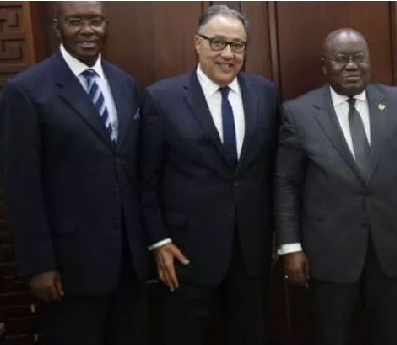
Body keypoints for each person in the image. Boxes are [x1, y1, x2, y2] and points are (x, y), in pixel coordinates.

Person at [274, 28, 397, 345]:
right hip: (328, 250)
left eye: (359, 57)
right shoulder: (298, 113)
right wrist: (290, 247)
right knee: (332, 334)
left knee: (389, 333)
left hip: (392, 246)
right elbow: (287, 184)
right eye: (341, 59)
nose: (352, 66)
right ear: (325, 67)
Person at [0, 2, 148, 344]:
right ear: (57, 27)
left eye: (95, 21)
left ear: (105, 25)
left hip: (129, 262)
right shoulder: (27, 90)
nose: (86, 30)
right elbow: (21, 187)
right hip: (69, 268)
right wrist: (38, 265)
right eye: (75, 21)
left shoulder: (126, 85)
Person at [140, 5, 278, 345]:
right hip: (186, 254)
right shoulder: (162, 98)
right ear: (197, 44)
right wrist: (159, 241)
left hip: (251, 252)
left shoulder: (265, 93)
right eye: (218, 43)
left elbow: (273, 170)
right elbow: (146, 179)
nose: (228, 54)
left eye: (238, 45)